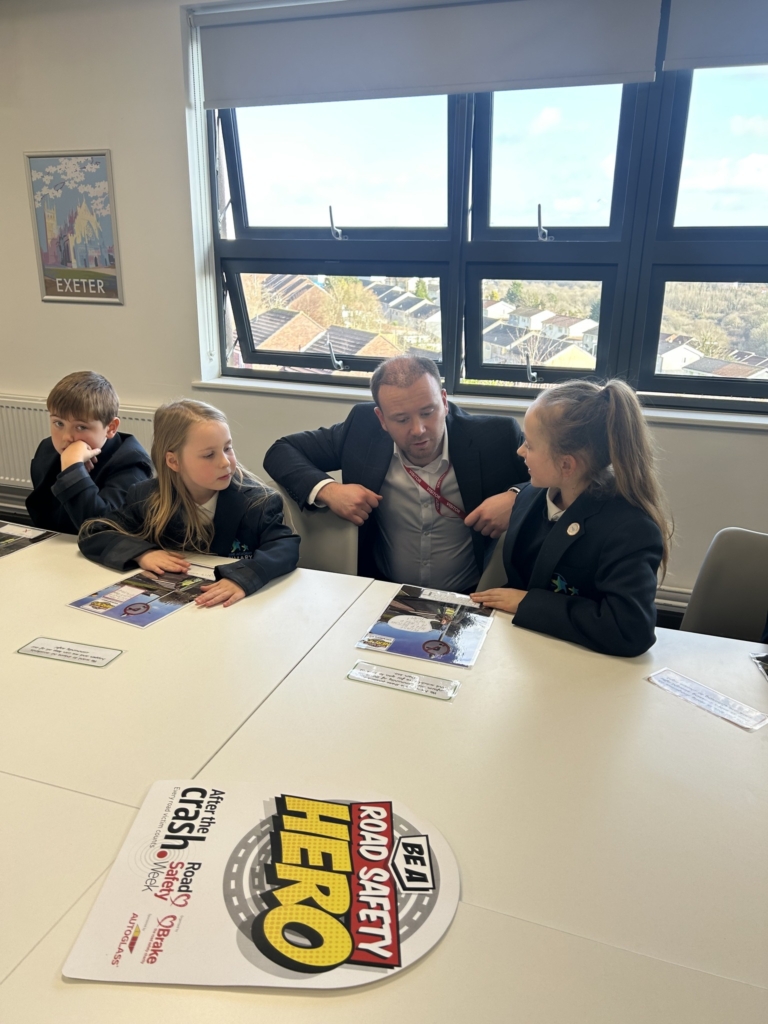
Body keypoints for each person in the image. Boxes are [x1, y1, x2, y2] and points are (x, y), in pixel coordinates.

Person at [263, 356, 529, 592]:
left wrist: (518, 497)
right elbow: (281, 451)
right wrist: (329, 490)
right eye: (401, 419)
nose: (418, 430)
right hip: (381, 592)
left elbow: (562, 480)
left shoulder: (497, 437)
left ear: (444, 402)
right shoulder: (362, 429)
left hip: (470, 595)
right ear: (381, 419)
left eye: (428, 412)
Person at [472, 379, 672, 657]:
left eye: (529, 445)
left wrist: (529, 603)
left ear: (566, 464)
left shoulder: (630, 529)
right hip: (529, 650)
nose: (520, 452)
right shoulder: (530, 497)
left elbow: (631, 630)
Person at [79, 400, 299, 607]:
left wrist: (243, 578)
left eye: (227, 448)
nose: (225, 462)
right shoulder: (146, 498)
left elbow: (285, 547)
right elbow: (95, 531)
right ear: (174, 461)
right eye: (209, 455)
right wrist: (142, 553)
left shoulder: (258, 502)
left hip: (236, 608)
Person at [26, 370, 152, 534]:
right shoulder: (47, 449)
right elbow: (43, 518)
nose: (67, 437)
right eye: (58, 423)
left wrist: (73, 469)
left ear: (111, 428)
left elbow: (103, 528)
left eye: (81, 427)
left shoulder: (132, 462)